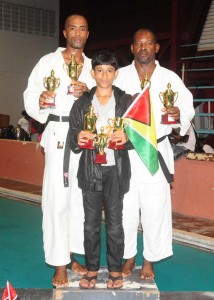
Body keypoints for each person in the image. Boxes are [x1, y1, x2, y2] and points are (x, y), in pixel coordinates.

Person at [115, 28, 195, 279]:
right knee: (125, 207)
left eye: (148, 43)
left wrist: (178, 115)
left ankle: (149, 259)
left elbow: (186, 105)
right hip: (126, 151)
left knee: (154, 208)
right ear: (132, 48)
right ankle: (128, 256)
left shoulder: (170, 78)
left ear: (156, 48)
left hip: (155, 149)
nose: (143, 48)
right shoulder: (119, 76)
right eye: (138, 43)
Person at [23, 14, 95, 287]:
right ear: (65, 32)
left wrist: (88, 92)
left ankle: (71, 254)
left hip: (85, 136)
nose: (77, 33)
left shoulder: (92, 66)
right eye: (73, 28)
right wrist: (41, 100)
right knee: (56, 200)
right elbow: (30, 97)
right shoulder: (47, 62)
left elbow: (106, 98)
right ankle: (59, 264)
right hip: (57, 133)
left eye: (83, 29)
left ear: (88, 34)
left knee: (81, 200)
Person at [68, 49, 133, 289]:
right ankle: (92, 268)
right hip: (90, 170)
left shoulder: (126, 101)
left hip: (116, 171)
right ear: (92, 73)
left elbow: (139, 134)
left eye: (109, 70)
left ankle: (115, 269)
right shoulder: (82, 103)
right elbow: (73, 135)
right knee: (90, 224)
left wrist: (127, 136)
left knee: (116, 223)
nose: (104, 75)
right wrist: (79, 136)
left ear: (115, 73)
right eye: (99, 70)